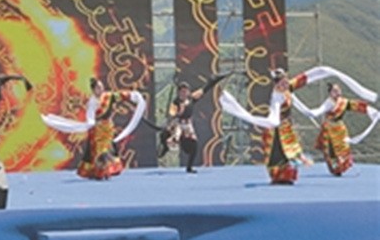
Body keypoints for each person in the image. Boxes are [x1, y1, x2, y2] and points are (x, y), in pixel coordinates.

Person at [220, 65, 377, 185]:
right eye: (282, 83)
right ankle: (281, 176)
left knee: (293, 151)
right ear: (276, 84)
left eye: (285, 82)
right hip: (278, 130)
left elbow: (307, 77)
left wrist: (326, 71)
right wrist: (267, 121)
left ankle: (293, 173)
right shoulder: (277, 97)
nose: (285, 85)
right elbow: (274, 117)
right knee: (280, 153)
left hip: (301, 127)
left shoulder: (289, 87)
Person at [41, 77, 147, 180]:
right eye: (98, 88)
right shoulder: (92, 102)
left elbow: (123, 95)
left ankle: (105, 171)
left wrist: (134, 96)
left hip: (108, 129)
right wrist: (91, 123)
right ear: (93, 90)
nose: (101, 89)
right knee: (99, 152)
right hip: (97, 131)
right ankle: (100, 172)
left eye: (101, 87)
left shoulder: (109, 96)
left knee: (107, 149)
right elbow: (90, 117)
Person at [161, 74, 229, 173]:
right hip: (178, 124)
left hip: (188, 125)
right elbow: (171, 115)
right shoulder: (175, 103)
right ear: (178, 92)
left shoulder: (191, 98)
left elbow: (204, 89)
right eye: (182, 91)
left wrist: (214, 80)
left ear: (188, 92)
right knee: (170, 135)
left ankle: (189, 167)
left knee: (194, 146)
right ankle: (166, 146)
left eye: (185, 91)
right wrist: (171, 121)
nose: (184, 93)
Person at [312, 82, 379, 176]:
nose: (337, 92)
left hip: (340, 128)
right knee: (330, 151)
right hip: (329, 129)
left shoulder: (343, 102)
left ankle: (342, 166)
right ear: (330, 93)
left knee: (344, 148)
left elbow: (356, 105)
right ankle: (335, 168)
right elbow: (319, 111)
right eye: (334, 91)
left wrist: (371, 111)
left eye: (338, 90)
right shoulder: (328, 103)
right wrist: (310, 112)